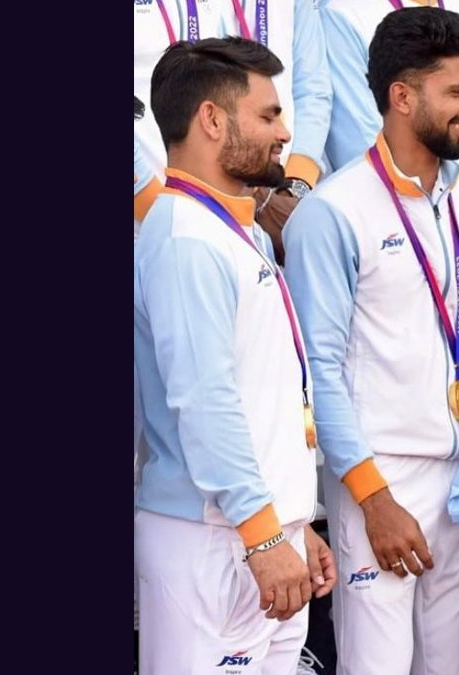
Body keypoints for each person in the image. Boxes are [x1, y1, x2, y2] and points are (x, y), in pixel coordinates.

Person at [282, 9, 459, 675]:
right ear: (402, 96)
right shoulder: (332, 212)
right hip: (380, 483)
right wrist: (372, 499)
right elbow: (318, 373)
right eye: (457, 92)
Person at [134, 37, 334, 675]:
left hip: (256, 537)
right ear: (212, 120)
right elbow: (204, 402)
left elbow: (263, 395)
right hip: (215, 543)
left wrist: (293, 520)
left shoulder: (234, 228)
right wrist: (264, 534)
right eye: (269, 115)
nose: (286, 133)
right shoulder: (184, 235)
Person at [133, 0, 332, 263]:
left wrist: (276, 195)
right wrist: (174, 218)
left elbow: (311, 91)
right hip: (157, 228)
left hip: (245, 214)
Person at [321, 0, 459, 196]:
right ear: (402, 97)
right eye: (458, 92)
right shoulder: (344, 13)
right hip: (386, 200)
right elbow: (358, 135)